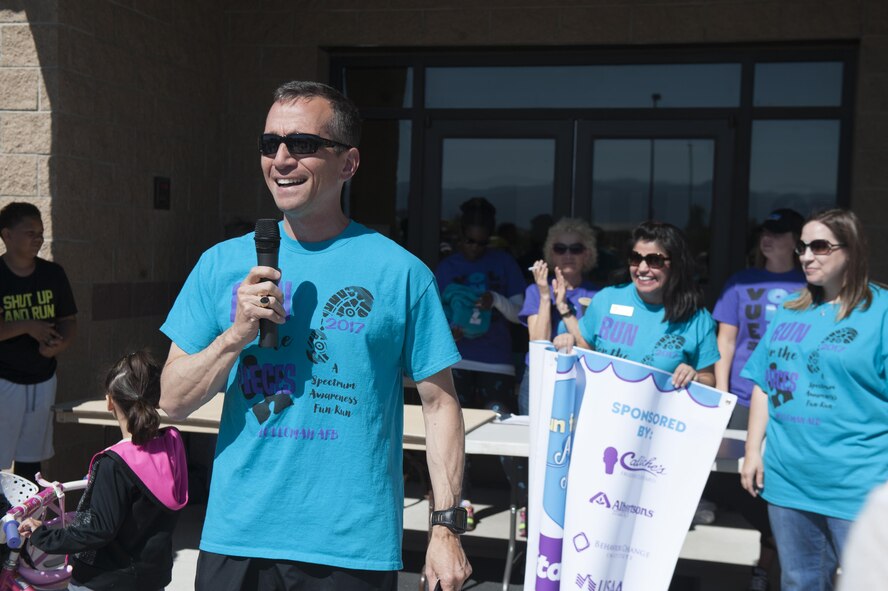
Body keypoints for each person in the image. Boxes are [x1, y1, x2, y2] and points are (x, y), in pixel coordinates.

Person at [159, 81, 471, 591]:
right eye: (269, 145)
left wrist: (445, 526)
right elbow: (170, 402)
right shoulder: (219, 266)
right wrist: (234, 336)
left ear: (348, 164)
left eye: (302, 144)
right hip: (238, 538)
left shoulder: (401, 273)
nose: (280, 159)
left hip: (351, 546)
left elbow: (440, 406)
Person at [740, 209, 888, 591]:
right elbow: (764, 383)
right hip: (789, 481)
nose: (806, 256)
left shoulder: (881, 312)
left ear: (851, 250)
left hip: (860, 484)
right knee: (800, 583)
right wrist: (753, 450)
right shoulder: (790, 309)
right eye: (803, 247)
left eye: (819, 247)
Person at [18, 351, 188, 591]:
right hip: (152, 578)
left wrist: (42, 535)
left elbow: (96, 530)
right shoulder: (172, 446)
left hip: (104, 581)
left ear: (110, 401)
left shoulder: (114, 464)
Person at [709, 208, 805, 590]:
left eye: (778, 233)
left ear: (797, 241)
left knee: (780, 484)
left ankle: (767, 567)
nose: (768, 238)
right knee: (738, 482)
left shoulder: (809, 284)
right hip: (743, 399)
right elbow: (726, 340)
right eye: (765, 231)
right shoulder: (741, 282)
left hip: (791, 405)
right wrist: (720, 393)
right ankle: (763, 557)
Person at [434, 197, 525, 529]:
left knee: (508, 434)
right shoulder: (447, 268)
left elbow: (522, 313)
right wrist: (449, 330)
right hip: (457, 361)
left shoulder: (502, 263)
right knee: (455, 434)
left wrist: (496, 300)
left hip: (496, 363)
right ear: (460, 235)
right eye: (469, 241)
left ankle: (523, 503)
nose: (475, 248)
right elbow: (430, 316)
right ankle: (461, 502)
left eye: (482, 242)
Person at [576, 221, 719, 389]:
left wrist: (695, 378)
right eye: (636, 258)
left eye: (654, 260)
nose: (642, 268)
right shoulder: (606, 299)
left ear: (676, 265)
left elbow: (708, 378)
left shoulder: (697, 319)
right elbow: (583, 350)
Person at [0, 202, 77, 480]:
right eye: (30, 232)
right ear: (7, 235)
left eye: (41, 232)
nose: (38, 238)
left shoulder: (52, 274)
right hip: (4, 380)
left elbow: (68, 320)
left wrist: (61, 343)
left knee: (31, 461)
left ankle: (25, 521)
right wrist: (27, 326)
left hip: (42, 379)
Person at [518, 217, 599, 415]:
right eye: (560, 248)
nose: (568, 255)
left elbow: (591, 346)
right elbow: (538, 341)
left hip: (581, 376)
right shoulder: (535, 291)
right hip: (540, 374)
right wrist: (546, 295)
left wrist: (563, 308)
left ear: (587, 254)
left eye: (576, 248)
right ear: (551, 255)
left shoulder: (597, 296)